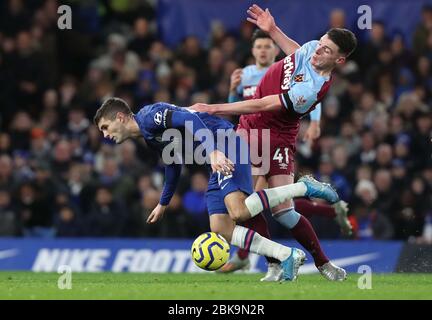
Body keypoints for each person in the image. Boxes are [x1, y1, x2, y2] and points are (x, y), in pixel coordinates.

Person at [94, 97, 345, 281]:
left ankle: (303, 186)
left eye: (105, 127)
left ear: (120, 117)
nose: (105, 134)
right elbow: (173, 165)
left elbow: (190, 118)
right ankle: (287, 254)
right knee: (221, 229)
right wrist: (163, 203)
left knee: (238, 212)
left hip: (225, 145)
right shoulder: (150, 135)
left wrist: (213, 151)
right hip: (215, 158)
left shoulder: (150, 116)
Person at [191, 4, 357, 281]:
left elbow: (265, 103)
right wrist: (273, 30)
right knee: (253, 205)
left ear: (339, 61)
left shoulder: (310, 89)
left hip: (272, 132)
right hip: (253, 128)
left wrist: (214, 108)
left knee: (280, 212)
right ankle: (278, 264)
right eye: (322, 43)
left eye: (327, 50)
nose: (318, 49)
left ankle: (321, 261)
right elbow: (299, 52)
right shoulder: (314, 48)